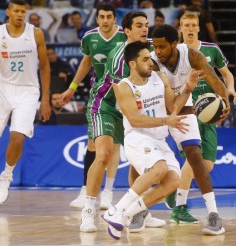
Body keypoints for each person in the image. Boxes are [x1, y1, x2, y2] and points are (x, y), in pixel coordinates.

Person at [75, 11, 165, 233]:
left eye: (146, 25)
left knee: (138, 161)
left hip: (130, 108)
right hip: (105, 106)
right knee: (103, 155)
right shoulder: (119, 57)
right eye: (139, 25)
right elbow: (121, 95)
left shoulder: (151, 48)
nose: (145, 29)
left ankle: (140, 212)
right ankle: (88, 212)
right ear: (127, 31)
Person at [102, 40, 202, 240]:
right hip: (137, 137)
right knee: (159, 168)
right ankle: (117, 209)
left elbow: (172, 106)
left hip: (159, 139)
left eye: (150, 58)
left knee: (174, 180)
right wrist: (167, 120)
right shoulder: (123, 87)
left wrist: (188, 89)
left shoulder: (159, 77)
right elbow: (135, 120)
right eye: (146, 59)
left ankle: (124, 215)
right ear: (132, 64)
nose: (151, 62)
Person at [0, 0, 51, 213]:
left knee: (17, 137)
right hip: (2, 89)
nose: (20, 14)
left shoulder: (36, 34)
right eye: (16, 10)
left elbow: (45, 66)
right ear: (8, 12)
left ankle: (6, 175)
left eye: (23, 11)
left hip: (28, 90)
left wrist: (45, 100)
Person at [151, 24, 230, 235]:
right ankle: (141, 210)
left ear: (175, 44)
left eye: (162, 47)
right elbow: (169, 106)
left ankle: (213, 215)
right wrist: (189, 103)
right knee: (145, 166)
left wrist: (224, 101)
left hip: (184, 108)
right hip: (156, 111)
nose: (158, 51)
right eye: (155, 46)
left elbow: (215, 79)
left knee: (196, 156)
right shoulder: (152, 62)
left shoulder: (193, 56)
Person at [59, 4, 126, 210]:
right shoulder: (89, 37)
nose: (105, 20)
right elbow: (86, 63)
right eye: (101, 17)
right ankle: (85, 191)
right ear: (97, 19)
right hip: (100, 95)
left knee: (115, 146)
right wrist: (71, 87)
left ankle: (108, 193)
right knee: (92, 143)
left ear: (114, 18)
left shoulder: (125, 35)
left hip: (123, 95)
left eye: (109, 17)